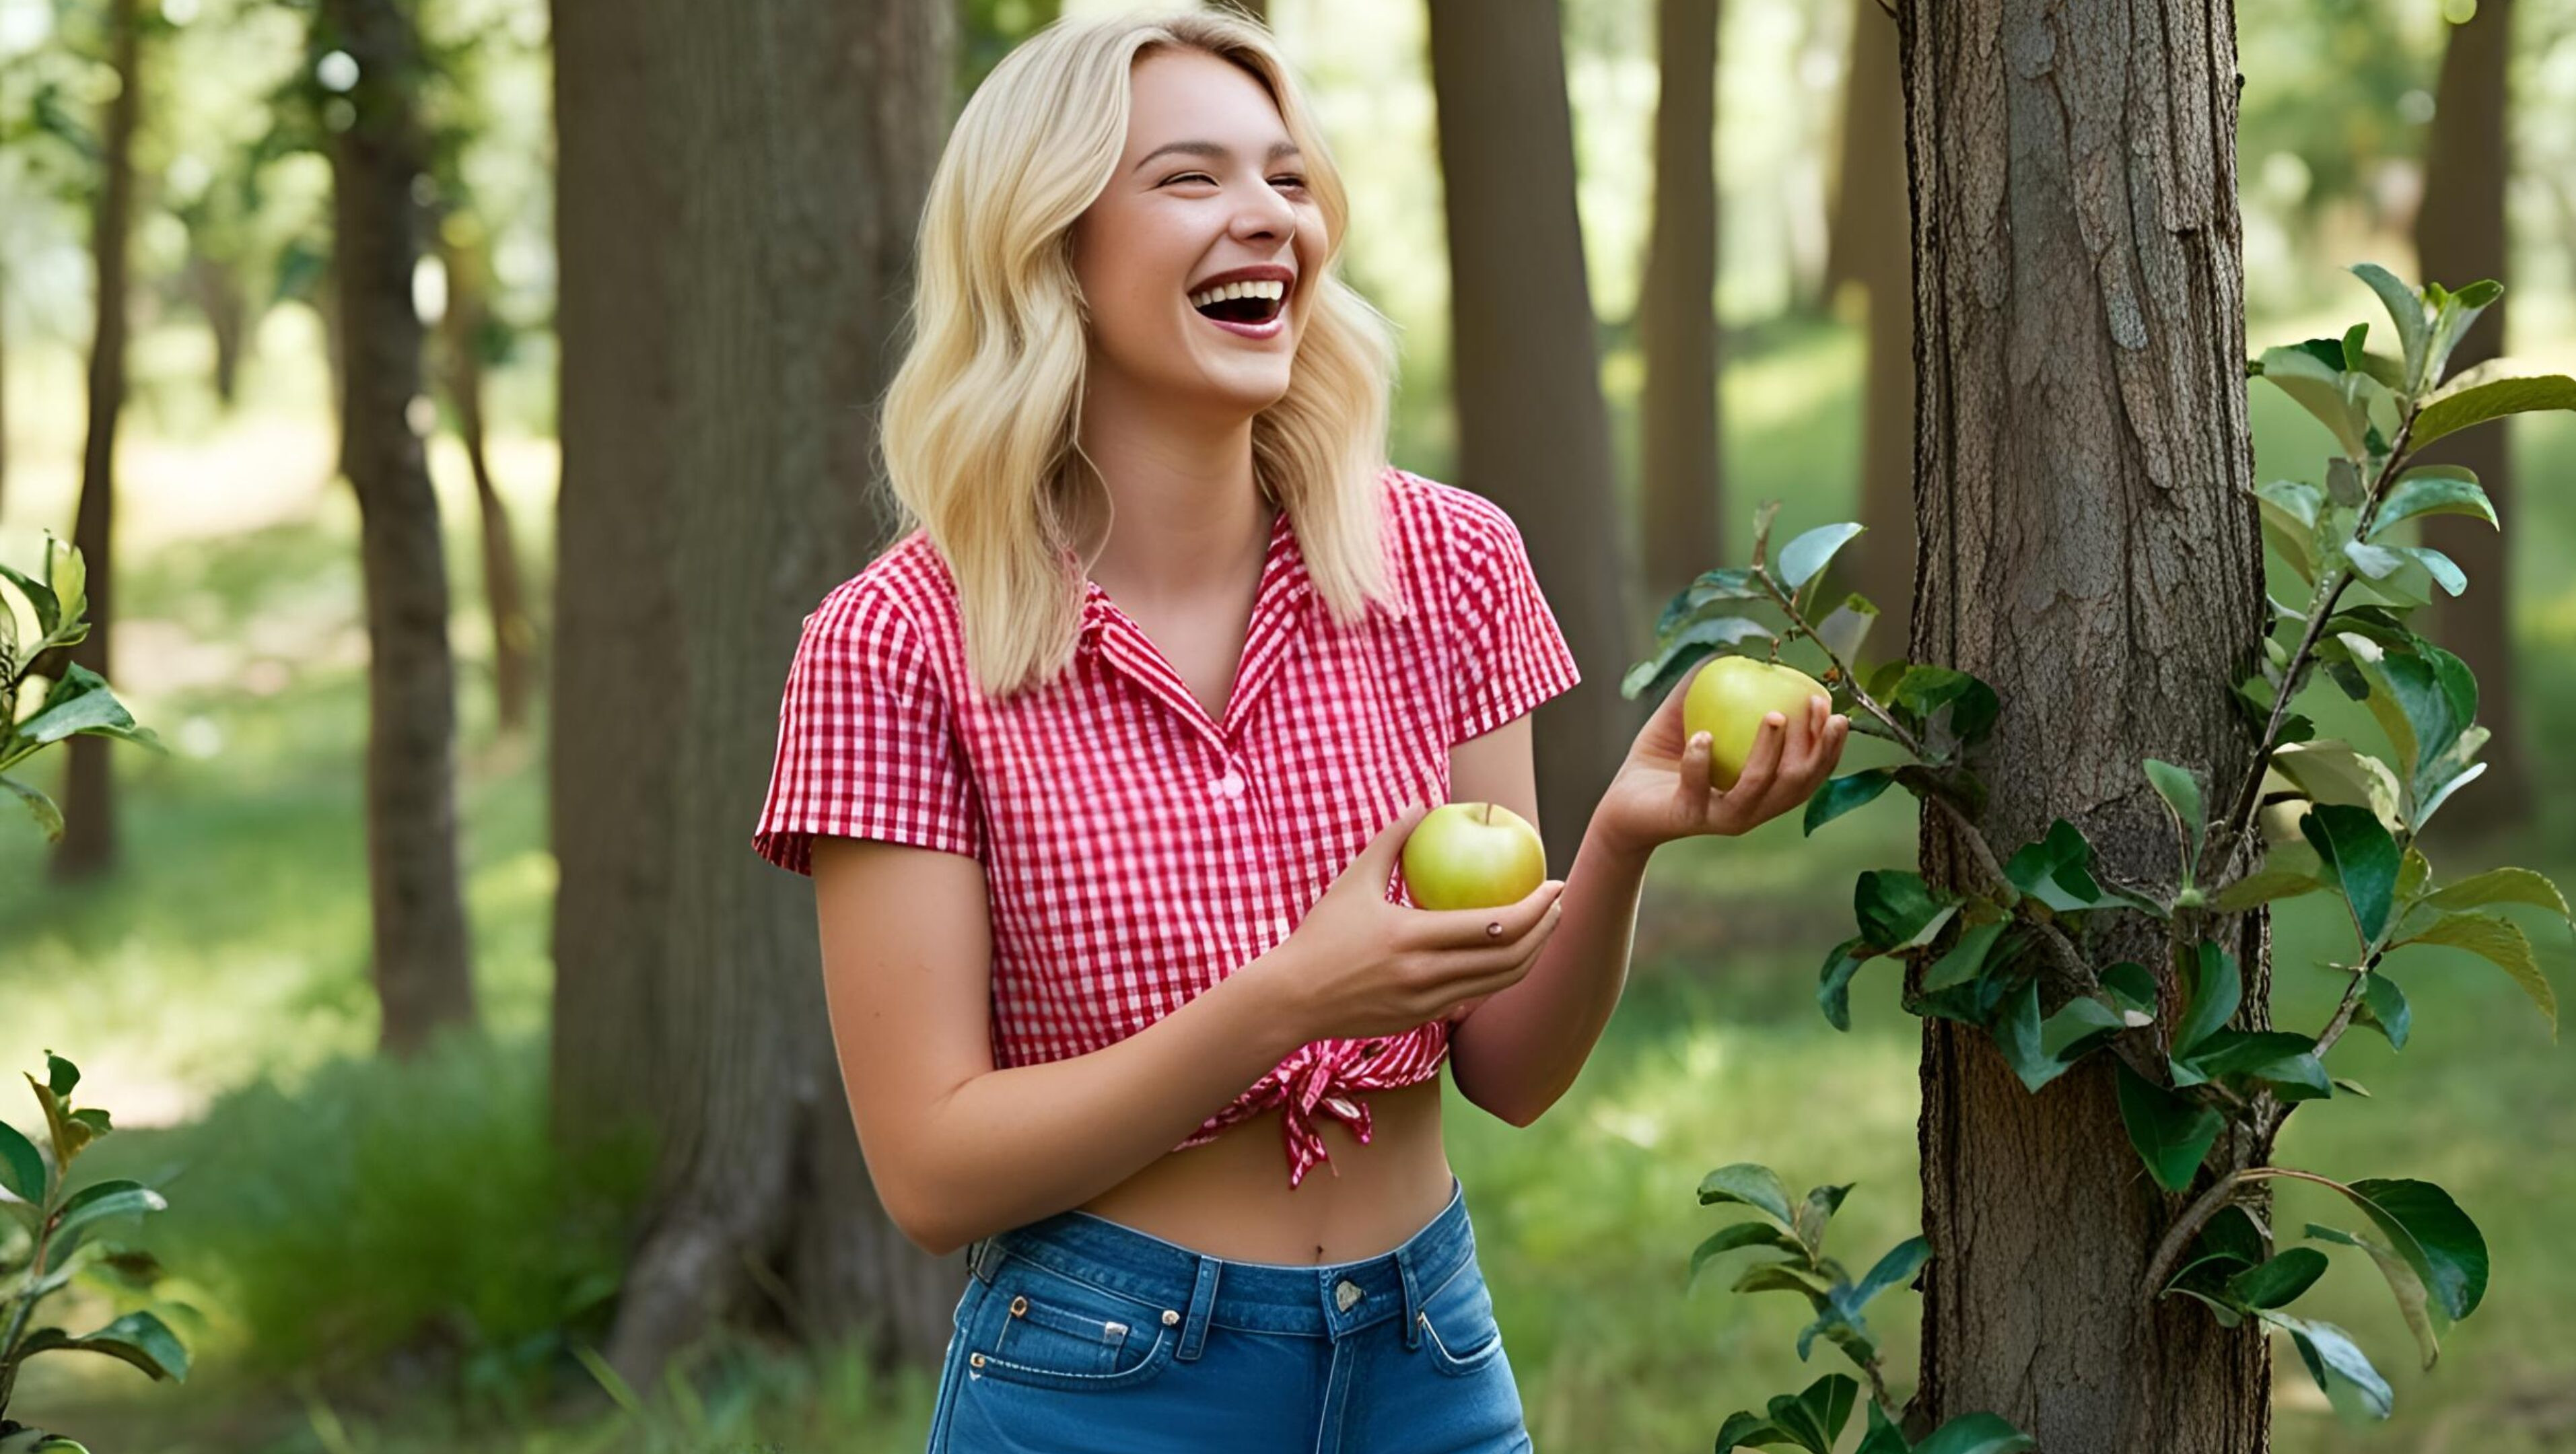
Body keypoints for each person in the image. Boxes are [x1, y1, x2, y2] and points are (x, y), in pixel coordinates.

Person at [749, 10, 1850, 1451]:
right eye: (1191, 179)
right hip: (1102, 1386)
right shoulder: (897, 644)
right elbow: (934, 1172)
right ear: (1051, 248)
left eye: (1286, 178)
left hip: (1429, 1357)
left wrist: (1628, 838)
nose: (1266, 217)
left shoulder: (1446, 564)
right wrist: (1287, 1001)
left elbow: (1508, 1071)